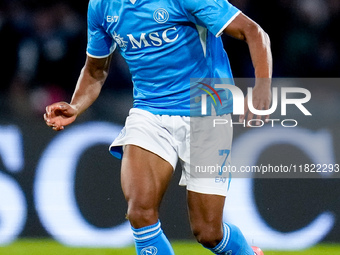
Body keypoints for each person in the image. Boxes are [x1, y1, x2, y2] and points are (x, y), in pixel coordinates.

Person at [44, 0, 272, 254]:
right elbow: (96, 70)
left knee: (208, 233)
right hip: (149, 112)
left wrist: (262, 87)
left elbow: (253, 32)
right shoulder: (101, 6)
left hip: (207, 110)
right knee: (139, 212)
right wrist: (76, 106)